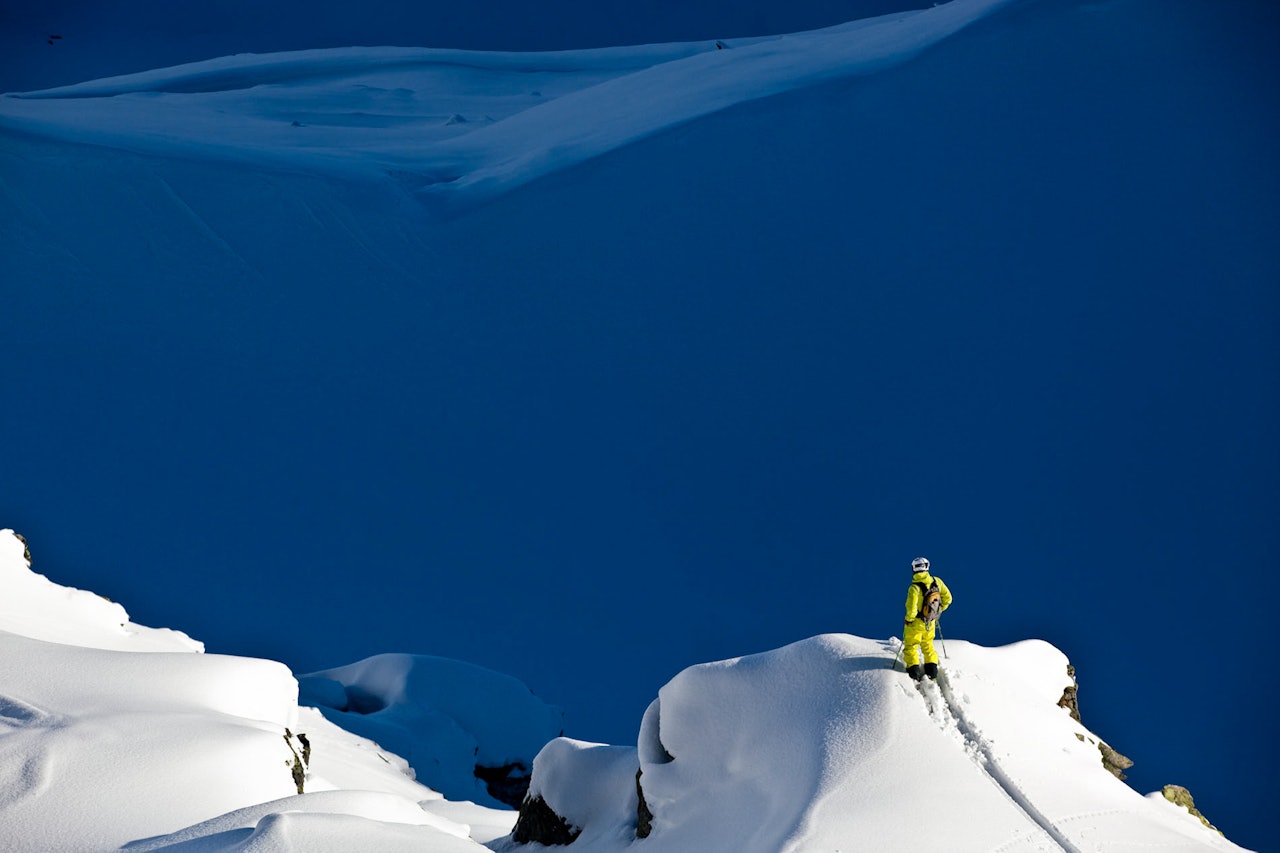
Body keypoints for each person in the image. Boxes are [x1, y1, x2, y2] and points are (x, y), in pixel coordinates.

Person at [902, 556, 952, 681]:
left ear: (913, 569)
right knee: (928, 645)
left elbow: (911, 609)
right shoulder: (937, 582)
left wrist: (909, 619)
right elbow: (948, 599)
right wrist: (939, 610)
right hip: (930, 621)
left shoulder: (914, 588)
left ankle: (914, 672)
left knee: (911, 646)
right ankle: (932, 672)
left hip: (916, 623)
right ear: (927, 567)